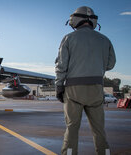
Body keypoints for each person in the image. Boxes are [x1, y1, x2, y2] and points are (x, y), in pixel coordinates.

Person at [55, 6, 116, 155]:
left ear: (75, 20)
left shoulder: (68, 38)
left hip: (73, 90)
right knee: (99, 130)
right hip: (96, 89)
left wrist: (58, 86)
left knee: (71, 129)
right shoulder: (105, 40)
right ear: (92, 21)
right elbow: (110, 64)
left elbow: (61, 66)